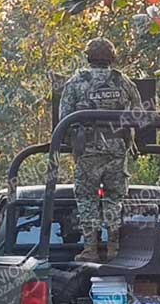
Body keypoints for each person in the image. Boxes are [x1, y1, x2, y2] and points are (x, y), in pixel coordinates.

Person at [58, 38, 143, 262]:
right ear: (111, 58)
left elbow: (63, 117)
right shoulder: (123, 82)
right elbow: (139, 114)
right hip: (117, 150)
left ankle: (90, 249)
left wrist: (73, 142)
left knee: (87, 198)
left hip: (88, 151)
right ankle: (114, 248)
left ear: (88, 58)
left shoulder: (76, 82)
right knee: (115, 198)